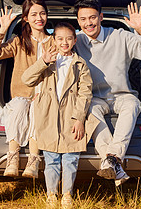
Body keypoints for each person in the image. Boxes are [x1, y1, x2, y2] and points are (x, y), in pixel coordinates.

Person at [74, 0, 141, 186]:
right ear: (78, 21)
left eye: (92, 17)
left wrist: (140, 29)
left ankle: (111, 157)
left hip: (122, 95)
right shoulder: (75, 41)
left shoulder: (120, 36)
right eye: (83, 19)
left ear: (101, 17)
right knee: (89, 110)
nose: (89, 23)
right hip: (94, 98)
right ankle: (113, 162)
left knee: (132, 106)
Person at [21, 22, 98, 207]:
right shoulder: (48, 61)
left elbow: (85, 93)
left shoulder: (80, 64)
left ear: (75, 40)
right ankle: (51, 195)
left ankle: (67, 195)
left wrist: (79, 119)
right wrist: (43, 62)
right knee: (51, 160)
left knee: (71, 159)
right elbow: (27, 80)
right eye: (60, 38)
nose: (64, 42)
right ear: (54, 40)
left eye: (69, 38)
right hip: (49, 117)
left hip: (71, 117)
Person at [0, 0, 55, 178]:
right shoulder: (18, 42)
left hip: (45, 97)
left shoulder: (54, 42)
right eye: (33, 14)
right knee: (19, 106)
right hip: (21, 97)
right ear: (25, 18)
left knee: (37, 110)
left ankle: (33, 160)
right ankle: (13, 158)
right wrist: (3, 30)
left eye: (42, 13)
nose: (39, 18)